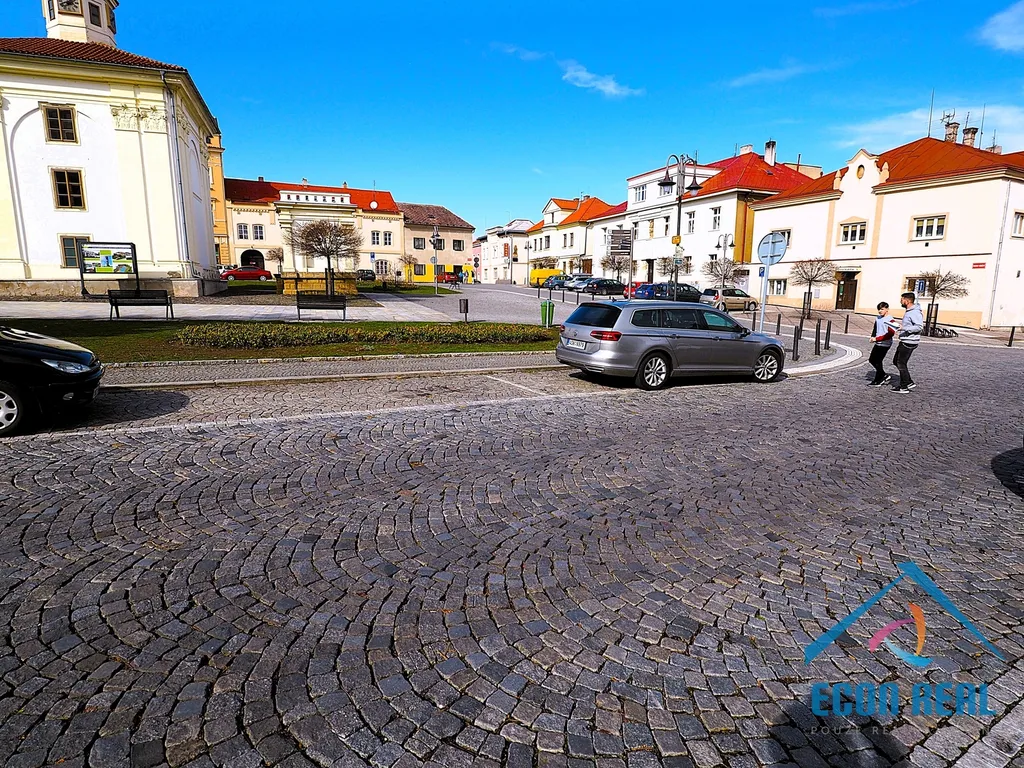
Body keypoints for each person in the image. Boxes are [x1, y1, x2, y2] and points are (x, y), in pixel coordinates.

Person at [891, 292, 924, 394]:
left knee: (901, 363)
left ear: (907, 300)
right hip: (905, 340)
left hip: (909, 342)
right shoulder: (910, 311)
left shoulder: (915, 312)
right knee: (896, 361)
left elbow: (919, 327)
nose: (900, 301)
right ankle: (908, 382)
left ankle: (904, 386)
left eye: (902, 299)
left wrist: (904, 328)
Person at [868, 302, 896, 386]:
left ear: (887, 309)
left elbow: (890, 334)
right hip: (878, 343)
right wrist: (873, 336)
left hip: (885, 343)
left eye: (882, 309)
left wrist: (877, 338)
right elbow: (875, 328)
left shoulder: (890, 320)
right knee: (872, 360)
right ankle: (882, 375)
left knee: (878, 361)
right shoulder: (878, 318)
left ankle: (879, 379)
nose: (880, 311)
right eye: (879, 309)